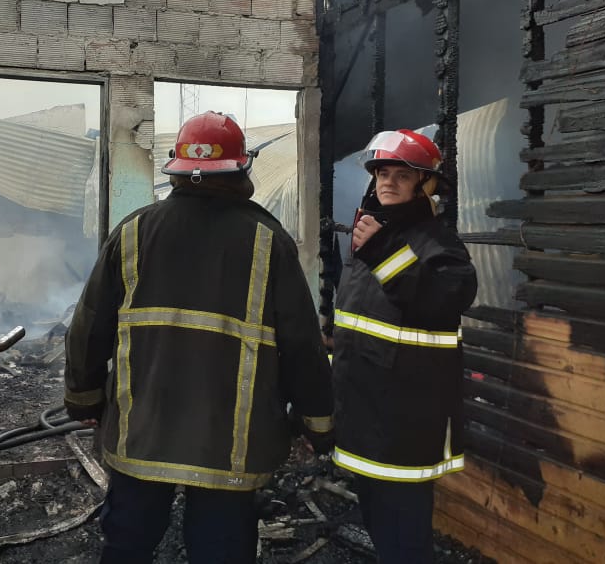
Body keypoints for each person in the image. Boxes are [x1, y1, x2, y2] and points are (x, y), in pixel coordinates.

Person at [64, 111, 334, 564]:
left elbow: (89, 327)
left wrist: (84, 399)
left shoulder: (132, 233)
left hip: (141, 432)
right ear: (241, 168)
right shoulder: (269, 242)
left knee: (128, 542)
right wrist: (317, 423)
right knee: (221, 549)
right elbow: (303, 347)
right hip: (231, 440)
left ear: (176, 167)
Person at [325, 129, 477, 563]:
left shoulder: (438, 244)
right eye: (381, 173)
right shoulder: (369, 238)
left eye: (402, 175)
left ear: (426, 185)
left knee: (405, 537)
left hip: (405, 421)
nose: (386, 182)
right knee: (377, 522)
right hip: (362, 410)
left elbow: (446, 299)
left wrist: (381, 253)